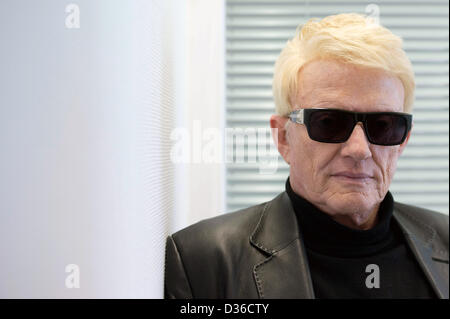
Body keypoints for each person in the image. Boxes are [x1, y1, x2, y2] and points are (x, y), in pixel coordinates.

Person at [164, 13, 449, 299]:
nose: (359, 149)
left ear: (402, 142)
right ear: (283, 138)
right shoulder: (205, 262)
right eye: (329, 122)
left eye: (383, 126)